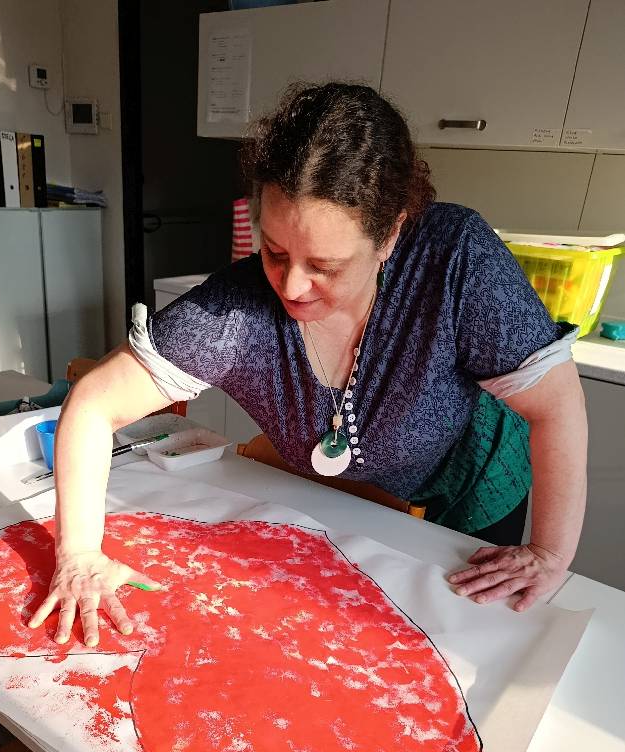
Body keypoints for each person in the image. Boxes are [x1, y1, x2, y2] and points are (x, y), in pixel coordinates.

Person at [29, 82, 587, 647]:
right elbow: (94, 404)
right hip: (360, 501)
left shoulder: (454, 258)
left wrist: (549, 552)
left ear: (391, 235)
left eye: (325, 265)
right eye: (274, 252)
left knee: (461, 643)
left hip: (472, 488)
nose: (292, 286)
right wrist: (78, 555)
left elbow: (557, 405)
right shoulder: (235, 313)